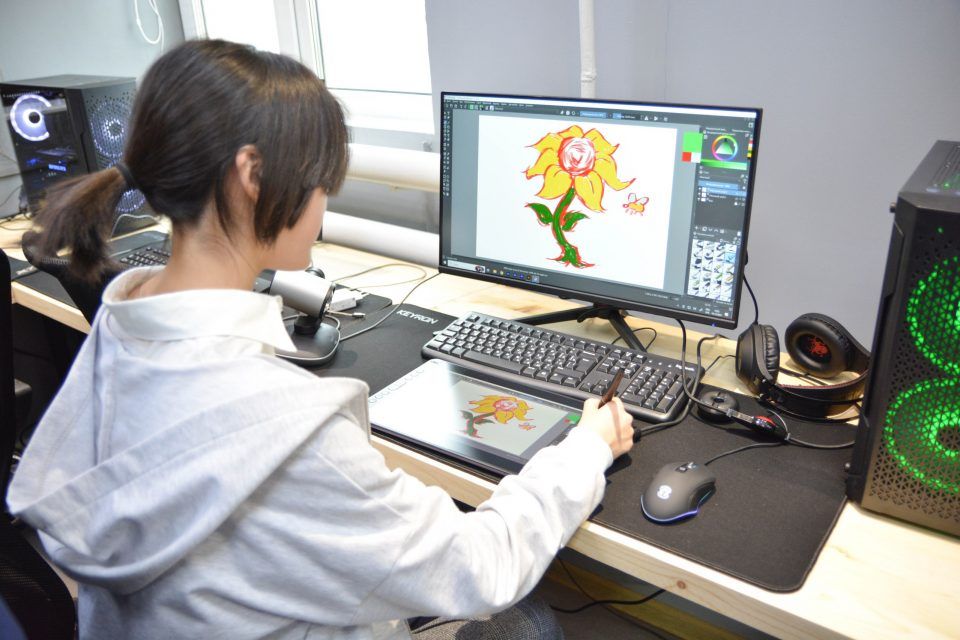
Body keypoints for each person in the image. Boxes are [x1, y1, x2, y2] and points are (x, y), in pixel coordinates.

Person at [7, 39, 635, 639]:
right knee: (528, 621)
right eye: (319, 182)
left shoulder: (121, 319)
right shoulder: (286, 429)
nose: (323, 203)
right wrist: (586, 449)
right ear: (252, 175)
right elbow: (481, 566)